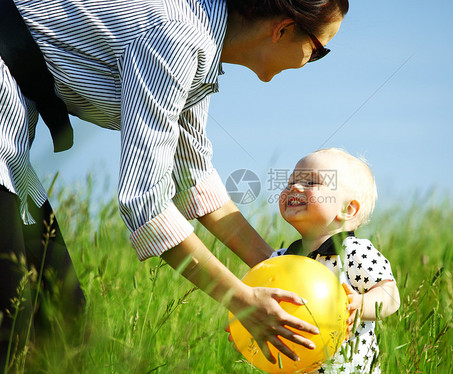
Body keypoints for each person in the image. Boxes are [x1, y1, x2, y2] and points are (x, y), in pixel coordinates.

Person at [0, 0, 349, 369]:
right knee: (13, 331)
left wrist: (280, 270)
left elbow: (191, 175)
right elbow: (145, 202)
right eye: (318, 51)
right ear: (282, 29)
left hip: (11, 145)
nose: (311, 62)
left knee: (62, 330)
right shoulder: (177, 37)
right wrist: (241, 300)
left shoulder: (198, 48)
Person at [271, 148, 401, 373]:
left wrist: (361, 304)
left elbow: (390, 296)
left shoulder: (353, 253)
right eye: (290, 182)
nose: (294, 187)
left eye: (311, 183)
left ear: (348, 209)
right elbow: (261, 300)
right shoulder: (282, 259)